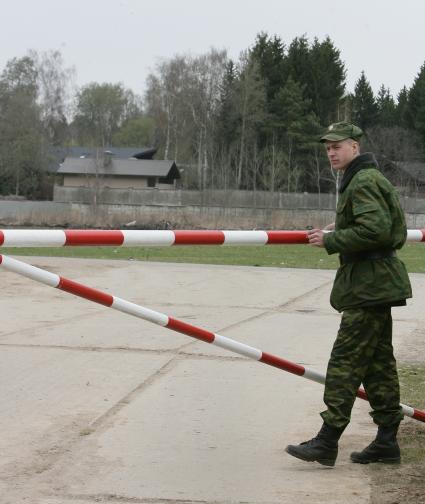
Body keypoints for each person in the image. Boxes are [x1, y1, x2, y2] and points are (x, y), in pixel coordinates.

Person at [285, 121, 412, 467]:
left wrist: (332, 240)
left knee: (344, 362)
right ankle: (387, 442)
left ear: (355, 146)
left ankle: (327, 440)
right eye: (327, 148)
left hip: (368, 286)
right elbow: (384, 229)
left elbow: (376, 230)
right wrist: (338, 229)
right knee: (378, 365)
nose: (331, 152)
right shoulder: (366, 178)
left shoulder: (364, 181)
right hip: (374, 284)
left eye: (337, 146)